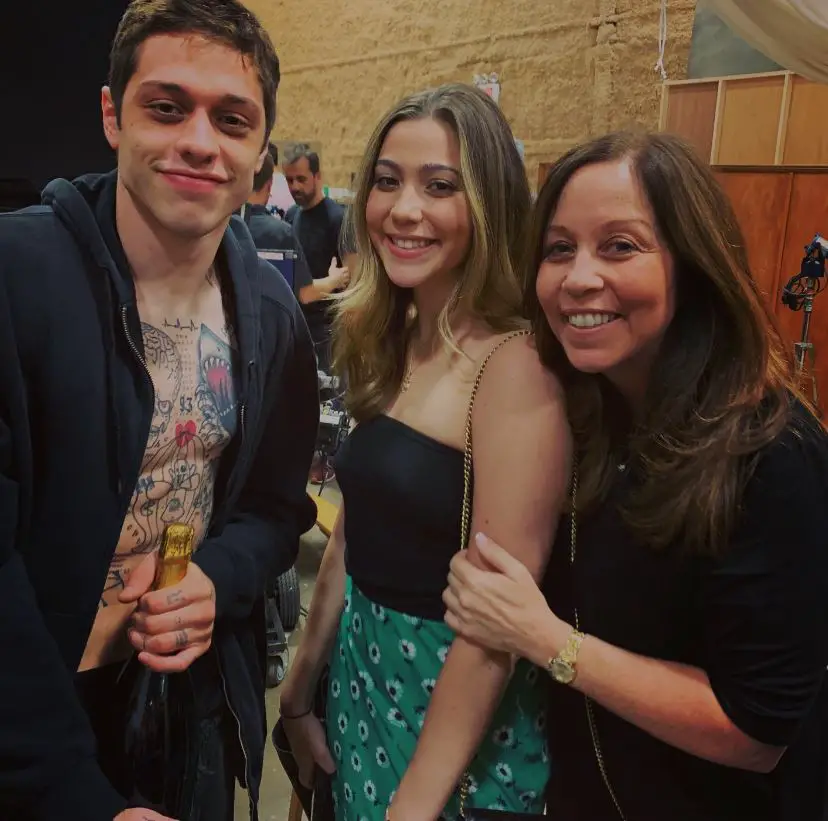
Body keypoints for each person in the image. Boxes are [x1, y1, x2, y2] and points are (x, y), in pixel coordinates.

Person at [443, 131, 828, 821]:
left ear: (692, 263)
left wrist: (548, 639)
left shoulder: (772, 454)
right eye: (559, 249)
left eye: (619, 245)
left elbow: (757, 731)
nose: (579, 277)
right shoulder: (598, 417)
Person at [0, 1, 319, 820]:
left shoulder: (272, 314)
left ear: (259, 149)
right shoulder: (17, 277)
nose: (200, 142)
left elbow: (277, 510)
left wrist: (222, 573)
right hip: (31, 721)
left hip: (185, 710)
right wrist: (71, 789)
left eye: (232, 119)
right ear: (113, 115)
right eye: (167, 107)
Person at [278, 83, 570, 821]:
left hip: (450, 718)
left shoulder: (515, 363)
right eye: (387, 181)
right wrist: (300, 688)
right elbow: (356, 524)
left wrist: (412, 807)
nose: (403, 209)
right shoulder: (388, 331)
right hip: (360, 677)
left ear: (489, 203)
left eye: (439, 186)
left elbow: (493, 628)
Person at [282, 144, 350, 374]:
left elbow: (354, 278)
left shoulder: (338, 219)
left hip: (327, 335)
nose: (294, 187)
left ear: (317, 176)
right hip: (296, 328)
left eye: (301, 179)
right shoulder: (291, 216)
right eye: (289, 180)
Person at [241, 148, 314, 300]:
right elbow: (304, 293)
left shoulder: (223, 228)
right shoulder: (282, 233)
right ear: (270, 184)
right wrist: (335, 279)